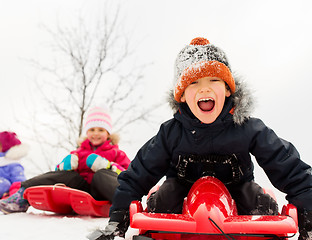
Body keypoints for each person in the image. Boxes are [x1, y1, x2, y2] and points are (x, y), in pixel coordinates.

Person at [88, 37, 312, 240]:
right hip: (182, 194)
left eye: (214, 80)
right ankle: (158, 232)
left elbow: (289, 168)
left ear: (227, 90)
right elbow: (138, 174)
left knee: (256, 199)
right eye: (193, 83)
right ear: (182, 95)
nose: (204, 89)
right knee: (165, 196)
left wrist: (308, 211)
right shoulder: (171, 132)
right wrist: (117, 220)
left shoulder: (249, 128)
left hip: (236, 191)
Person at [0, 106, 130, 214]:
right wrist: (63, 166)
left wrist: (108, 166)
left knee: (100, 175)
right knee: (69, 175)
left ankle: (127, 204)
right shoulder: (78, 152)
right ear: (87, 132)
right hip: (82, 190)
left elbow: (127, 175)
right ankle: (22, 195)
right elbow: (58, 174)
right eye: (92, 129)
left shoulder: (117, 153)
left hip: (103, 191)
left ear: (108, 133)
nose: (95, 133)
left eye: (100, 130)